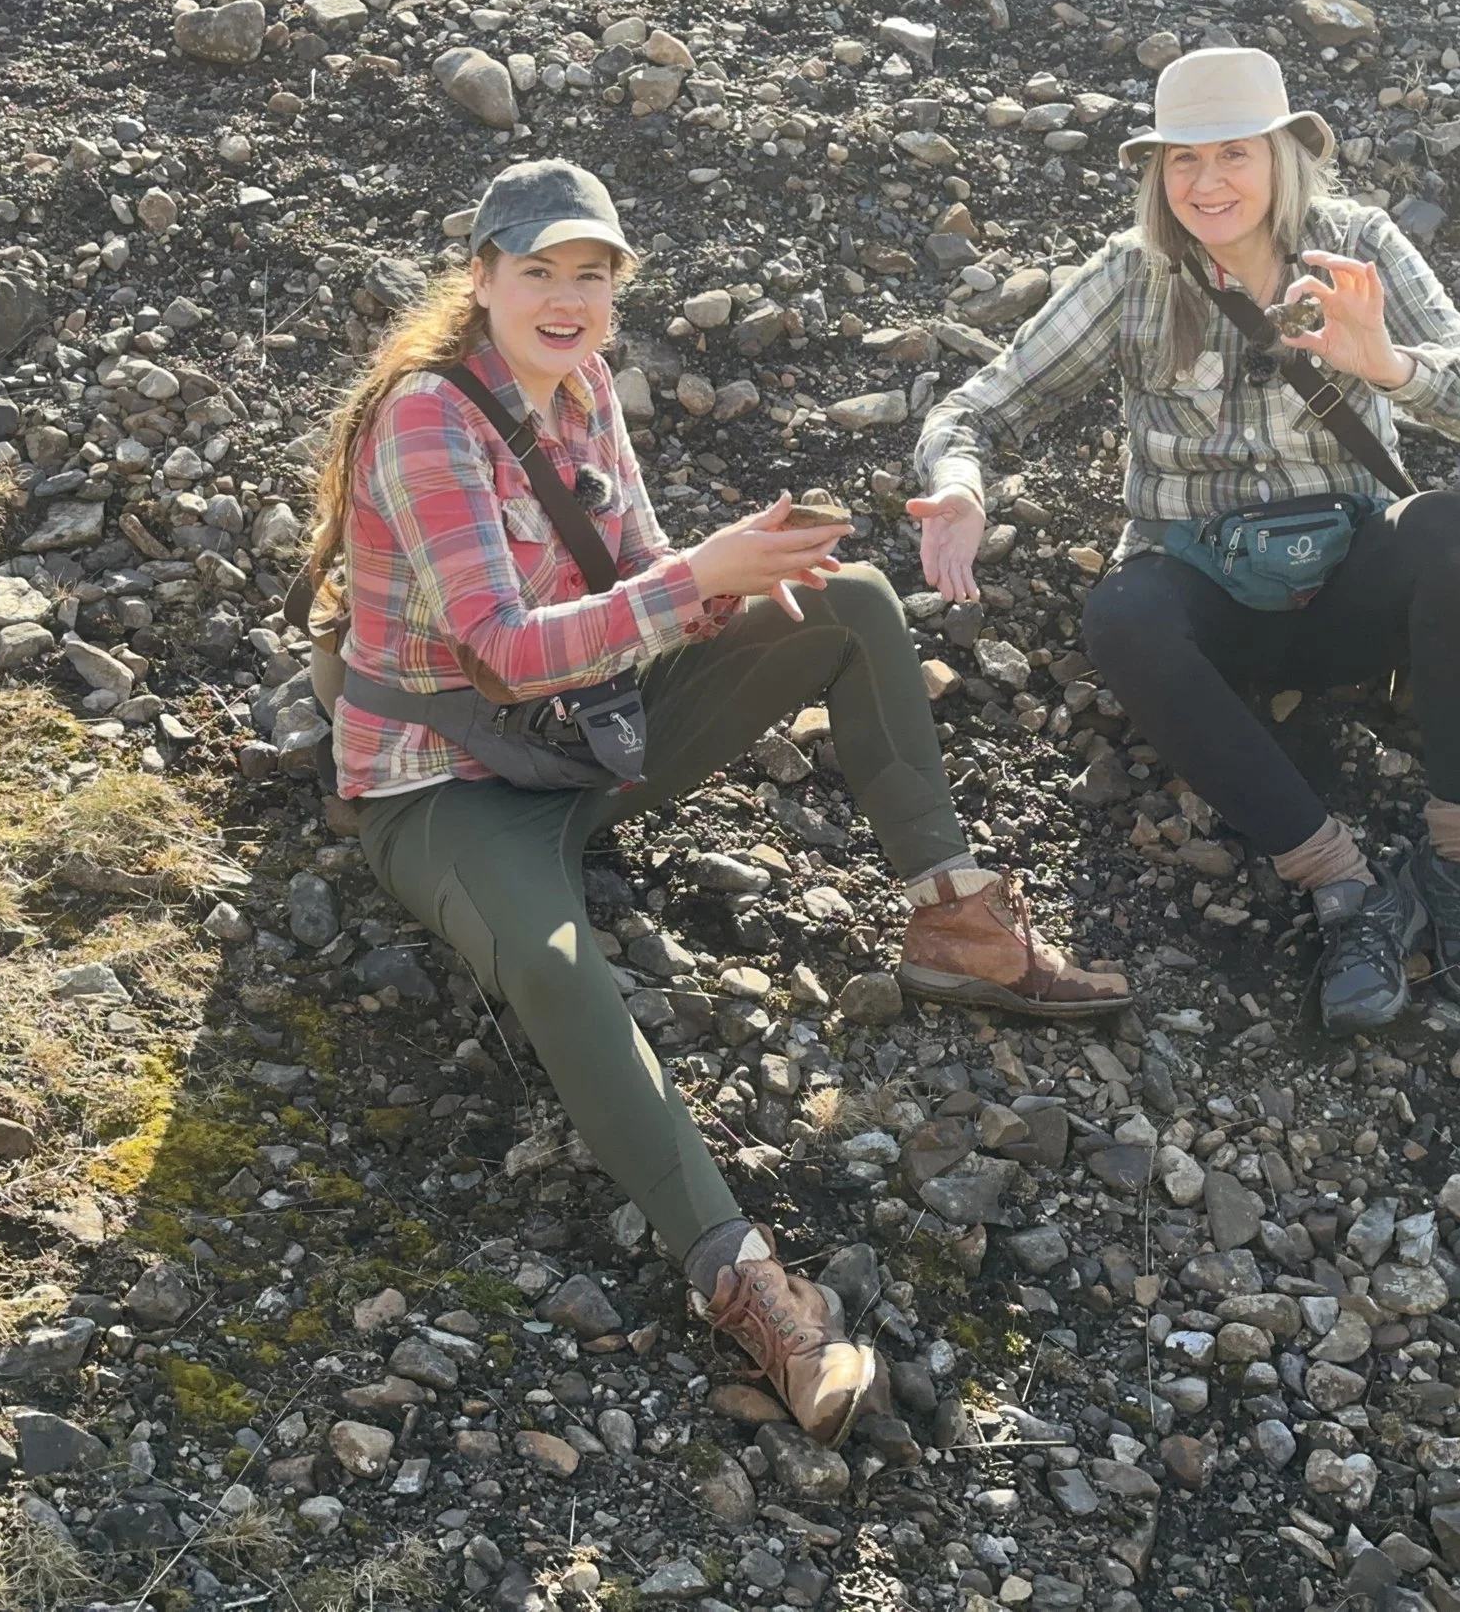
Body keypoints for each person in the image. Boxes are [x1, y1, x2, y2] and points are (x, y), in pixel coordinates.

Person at [306, 159, 1129, 1448]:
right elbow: (508, 648)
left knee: (851, 599)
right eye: (540, 272)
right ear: (481, 279)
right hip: (446, 785)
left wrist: (737, 581)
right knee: (559, 966)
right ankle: (743, 1279)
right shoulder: (427, 418)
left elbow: (633, 576)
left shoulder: (579, 387)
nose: (569, 299)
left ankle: (955, 921)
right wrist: (697, 576)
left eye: (593, 275)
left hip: (582, 741)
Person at [908, 48, 1460, 1035]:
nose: (1204, 183)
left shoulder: (1358, 245)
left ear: (1284, 155)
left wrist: (1390, 364)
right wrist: (958, 484)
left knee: (1457, 530)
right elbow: (983, 404)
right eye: (1180, 161)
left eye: (1231, 154)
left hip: (1353, 589)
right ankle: (1347, 891)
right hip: (1207, 599)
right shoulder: (1129, 273)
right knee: (1121, 615)